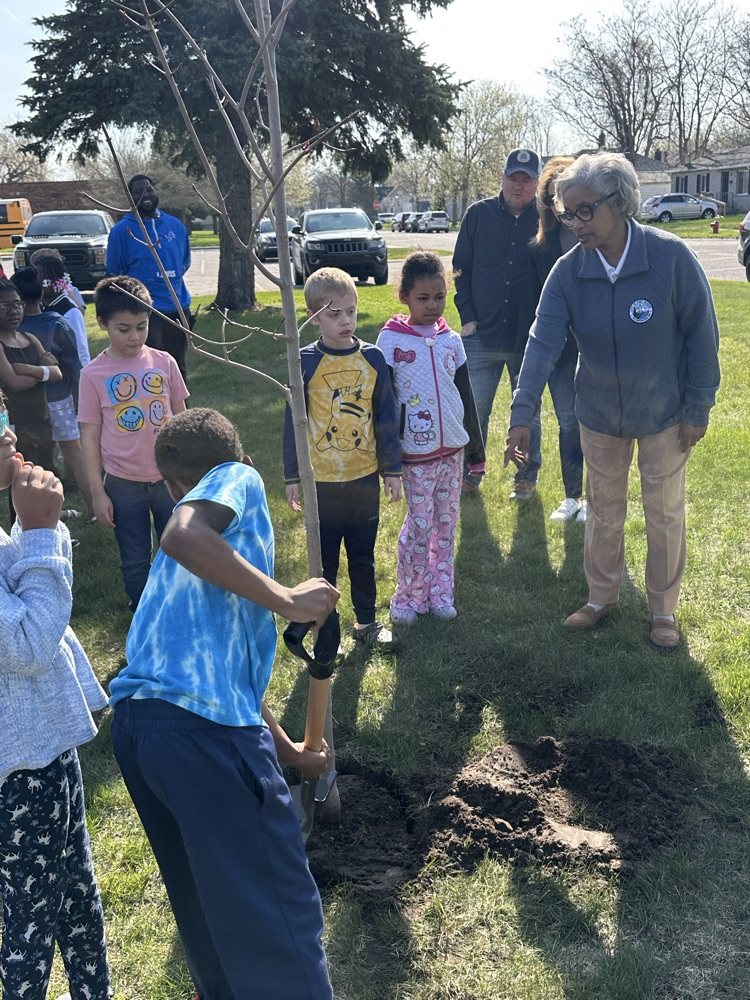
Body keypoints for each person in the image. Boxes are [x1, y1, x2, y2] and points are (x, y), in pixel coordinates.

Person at [109, 407, 339, 1000]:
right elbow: (183, 534)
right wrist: (287, 598)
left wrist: (291, 754)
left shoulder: (183, 581)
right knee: (275, 915)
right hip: (202, 739)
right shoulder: (236, 478)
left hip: (141, 732)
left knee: (211, 910)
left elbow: (216, 680)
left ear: (168, 484)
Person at [506, 152, 721, 649]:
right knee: (603, 508)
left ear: (619, 203)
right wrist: (522, 412)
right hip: (598, 413)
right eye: (567, 212)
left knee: (664, 510)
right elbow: (541, 343)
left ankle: (662, 611)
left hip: (665, 413)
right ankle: (601, 597)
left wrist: (698, 406)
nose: (576, 223)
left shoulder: (670, 258)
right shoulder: (567, 272)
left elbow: (702, 336)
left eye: (586, 211)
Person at [0, 407, 113, 1000]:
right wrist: (42, 530)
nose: (11, 436)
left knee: (75, 891)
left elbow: (17, 584)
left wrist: (32, 529)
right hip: (18, 769)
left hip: (44, 746)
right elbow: (26, 643)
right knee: (30, 919)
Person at [284, 267, 403, 650]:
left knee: (363, 556)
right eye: (334, 315)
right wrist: (292, 476)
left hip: (364, 478)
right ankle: (326, 625)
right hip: (321, 483)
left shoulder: (373, 358)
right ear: (314, 317)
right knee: (325, 564)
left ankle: (367, 622)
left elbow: (386, 414)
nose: (346, 321)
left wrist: (393, 470)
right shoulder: (302, 362)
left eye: (350, 311)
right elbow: (294, 421)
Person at [377, 251, 485, 623]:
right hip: (415, 455)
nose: (433, 305)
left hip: (452, 453)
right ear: (404, 297)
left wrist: (475, 452)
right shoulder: (389, 342)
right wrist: (388, 460)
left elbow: (465, 396)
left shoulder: (451, 340)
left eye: (439, 297)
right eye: (423, 298)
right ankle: (408, 598)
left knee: (445, 525)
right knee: (419, 527)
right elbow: (384, 405)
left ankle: (440, 594)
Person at [79, 275, 189, 611]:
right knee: (135, 558)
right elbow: (89, 437)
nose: (134, 336)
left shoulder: (164, 362)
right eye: (123, 328)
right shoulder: (92, 375)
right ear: (102, 323)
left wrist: (187, 474)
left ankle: (179, 608)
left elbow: (183, 421)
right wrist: (98, 493)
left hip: (169, 480)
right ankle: (144, 614)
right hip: (123, 485)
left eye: (141, 326)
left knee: (181, 550)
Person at [452, 147, 541, 499]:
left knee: (527, 412)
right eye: (512, 178)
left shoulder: (546, 220)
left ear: (536, 184)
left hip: (527, 338)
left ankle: (526, 476)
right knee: (474, 411)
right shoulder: (478, 215)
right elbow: (461, 269)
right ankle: (470, 471)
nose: (518, 186)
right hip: (481, 335)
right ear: (502, 178)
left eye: (526, 179)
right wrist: (468, 318)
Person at [516, 156, 586, 522]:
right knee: (567, 421)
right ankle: (573, 497)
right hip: (557, 351)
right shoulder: (541, 245)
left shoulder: (597, 237)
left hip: (591, 347)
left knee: (587, 422)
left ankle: (590, 497)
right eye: (552, 197)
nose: (561, 206)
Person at [12, 265, 93, 515]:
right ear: (40, 295)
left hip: (26, 406)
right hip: (60, 400)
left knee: (27, 460)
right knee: (75, 454)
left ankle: (33, 513)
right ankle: (93, 509)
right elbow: (74, 367)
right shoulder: (57, 324)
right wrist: (81, 400)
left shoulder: (12, 331)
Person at [106, 174, 192, 382]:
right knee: (149, 368)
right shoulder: (121, 232)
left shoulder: (175, 226)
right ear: (130, 198)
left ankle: (181, 411)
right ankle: (152, 410)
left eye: (149, 189)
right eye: (137, 192)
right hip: (146, 311)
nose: (145, 195)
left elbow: (184, 261)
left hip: (178, 308)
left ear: (156, 192)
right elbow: (116, 272)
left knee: (177, 366)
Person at [0, 276, 60, 477]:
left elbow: (57, 373)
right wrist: (43, 370)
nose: (13, 311)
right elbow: (15, 383)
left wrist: (27, 368)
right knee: (22, 477)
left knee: (45, 473)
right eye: (4, 306)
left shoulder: (29, 339)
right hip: (16, 424)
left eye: (17, 304)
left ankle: (51, 510)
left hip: (42, 419)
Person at [31, 249, 91, 366]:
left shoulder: (70, 311)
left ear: (57, 279)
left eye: (42, 278)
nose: (38, 283)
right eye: (36, 278)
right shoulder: (39, 307)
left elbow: (81, 351)